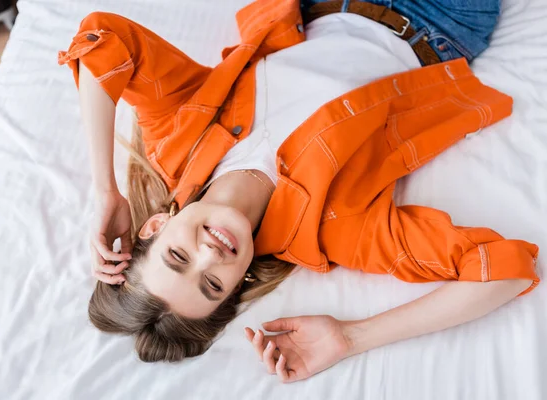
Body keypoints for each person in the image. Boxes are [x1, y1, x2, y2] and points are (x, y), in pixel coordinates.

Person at [58, 0, 539, 383]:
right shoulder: (337, 229)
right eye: (212, 284)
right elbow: (504, 270)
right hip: (436, 18)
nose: (209, 255)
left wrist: (107, 190)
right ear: (239, 282)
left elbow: (105, 40)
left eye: (178, 257)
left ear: (157, 226)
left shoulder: (176, 139)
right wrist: (351, 337)